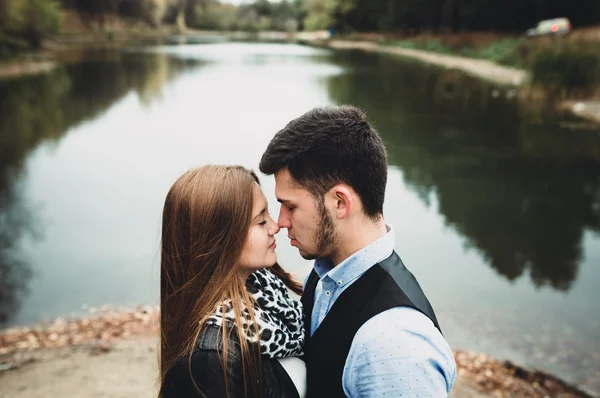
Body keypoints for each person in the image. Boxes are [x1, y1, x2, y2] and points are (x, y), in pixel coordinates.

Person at [259, 105, 457, 397]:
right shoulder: (329, 274)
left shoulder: (392, 345)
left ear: (340, 202)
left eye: (290, 206)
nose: (281, 222)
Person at [158, 165, 306, 398]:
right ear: (219, 239)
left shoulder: (266, 293)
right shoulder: (209, 359)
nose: (275, 226)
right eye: (260, 221)